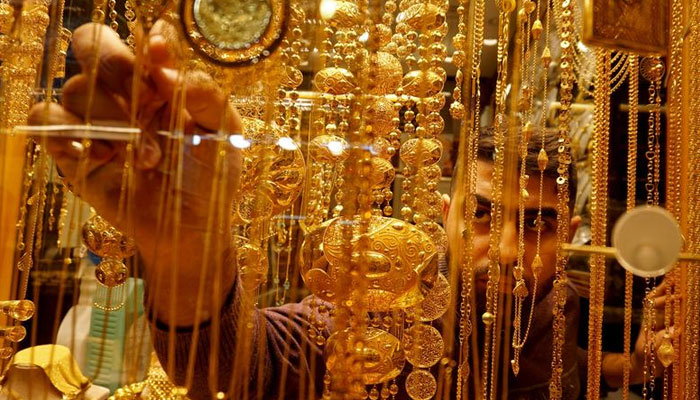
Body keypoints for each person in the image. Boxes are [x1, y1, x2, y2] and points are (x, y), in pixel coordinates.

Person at [29, 22, 673, 399]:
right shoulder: (378, 296)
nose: (508, 249)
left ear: (572, 231)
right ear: (443, 209)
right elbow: (234, 364)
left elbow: (547, 374)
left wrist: (632, 365)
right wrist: (186, 256)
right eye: (482, 214)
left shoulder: (560, 306)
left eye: (538, 225)